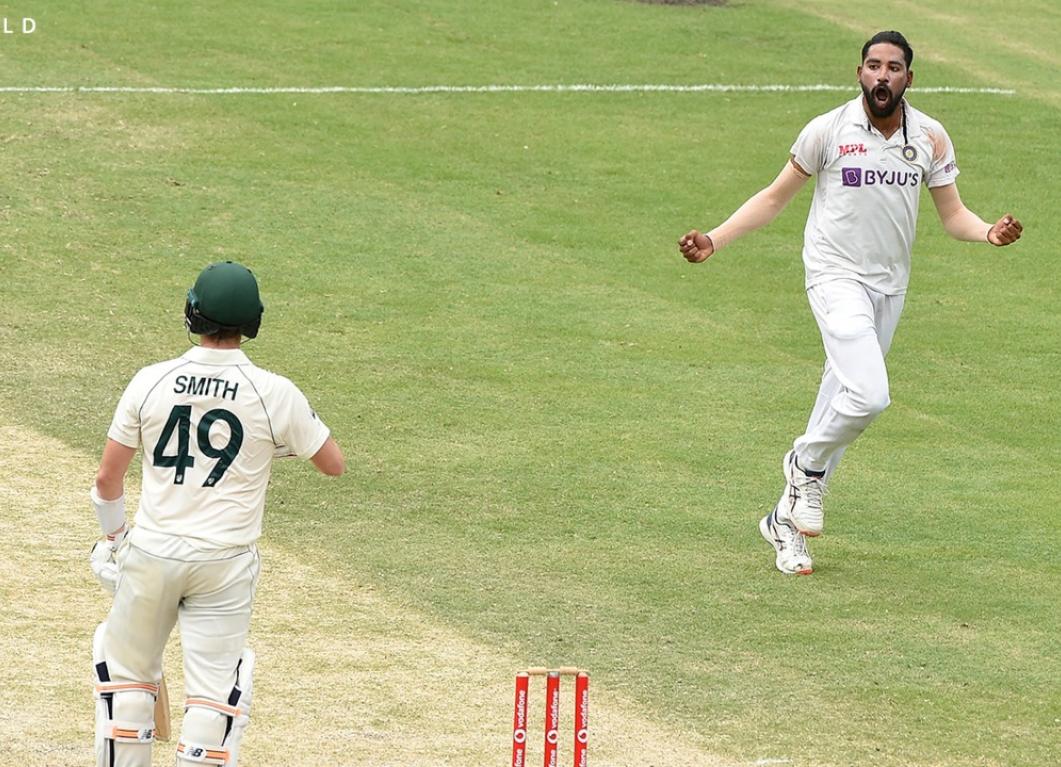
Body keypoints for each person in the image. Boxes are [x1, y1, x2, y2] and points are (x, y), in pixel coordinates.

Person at [677, 31, 1022, 576]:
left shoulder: (930, 138)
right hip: (835, 277)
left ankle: (785, 523)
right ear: (859, 73)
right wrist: (715, 239)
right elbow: (773, 198)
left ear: (910, 77)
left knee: (840, 397)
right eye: (872, 66)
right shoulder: (828, 130)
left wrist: (989, 234)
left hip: (890, 287)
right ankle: (804, 465)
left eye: (893, 68)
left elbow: (954, 216)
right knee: (869, 394)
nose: (882, 76)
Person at [88, 261, 345, 766]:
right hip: (224, 564)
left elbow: (106, 480)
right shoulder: (274, 393)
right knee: (213, 702)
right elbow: (332, 464)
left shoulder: (150, 381)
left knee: (126, 687)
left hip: (153, 553)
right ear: (252, 322)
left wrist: (114, 538)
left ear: (192, 314)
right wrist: (267, 446)